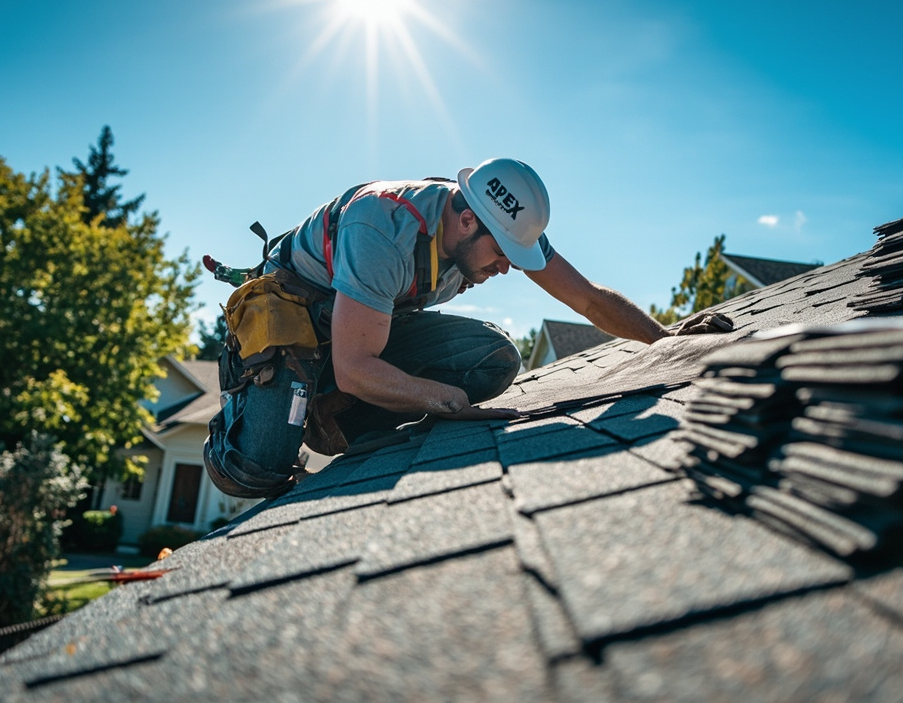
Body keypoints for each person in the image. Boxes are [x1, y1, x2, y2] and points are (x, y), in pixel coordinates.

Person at [203, 158, 731, 498]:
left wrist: (665, 341)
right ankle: (250, 411)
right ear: (466, 221)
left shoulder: (499, 223)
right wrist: (446, 401)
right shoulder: (382, 227)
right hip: (296, 319)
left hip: (364, 326)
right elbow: (355, 367)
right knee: (257, 471)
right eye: (502, 255)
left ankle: (331, 412)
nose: (507, 267)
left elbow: (588, 298)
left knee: (494, 359)